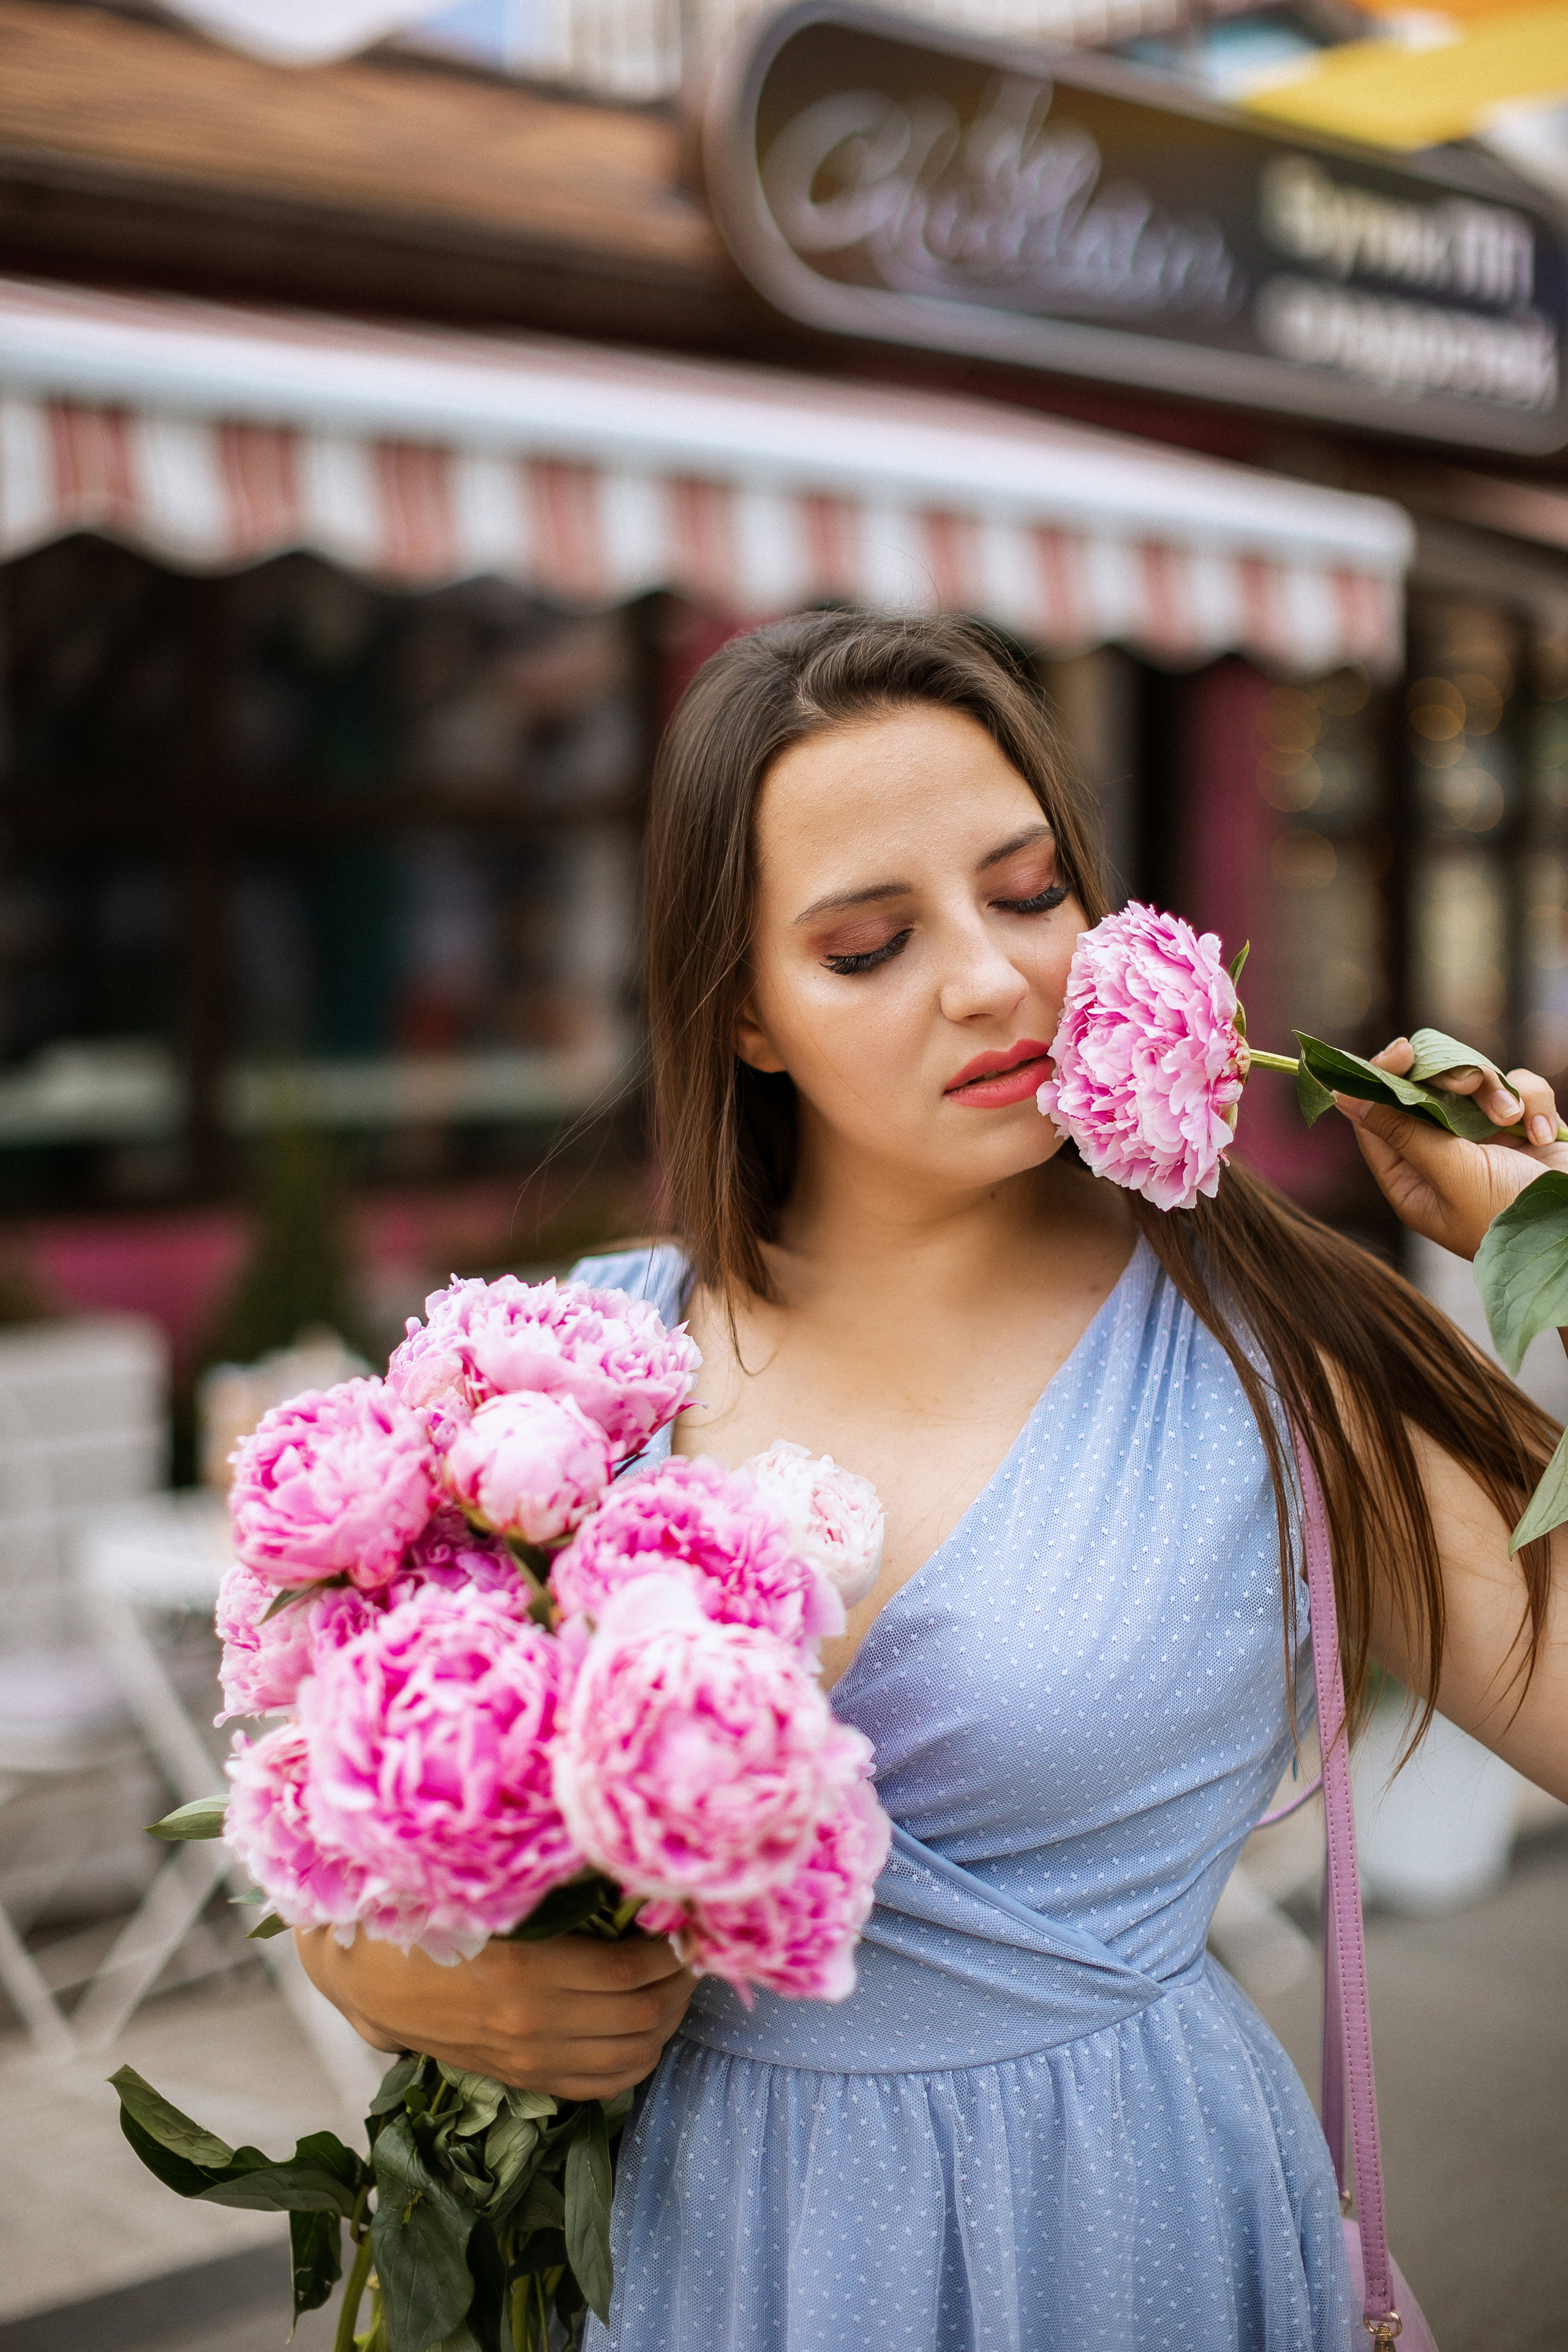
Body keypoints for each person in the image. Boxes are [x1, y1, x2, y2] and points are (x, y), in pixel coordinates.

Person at [300, 612, 1568, 2350]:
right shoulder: (573, 1378)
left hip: (1130, 2236)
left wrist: (1552, 1252)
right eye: (871, 942)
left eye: (1029, 891)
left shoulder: (1286, 1353)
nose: (989, 978)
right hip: (697, 2265)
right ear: (742, 1010)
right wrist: (386, 1970)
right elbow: (355, 1835)